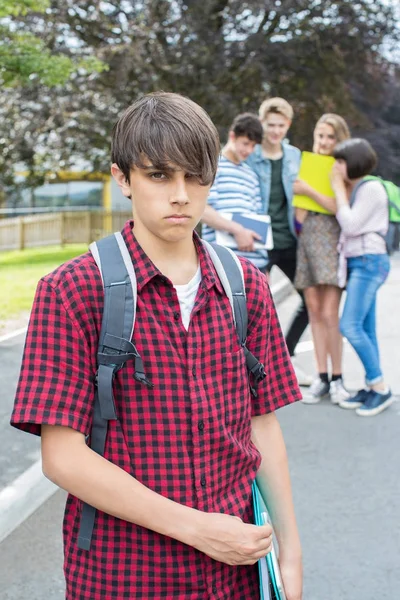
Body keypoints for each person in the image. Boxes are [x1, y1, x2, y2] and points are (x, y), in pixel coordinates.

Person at [11, 92, 303, 599]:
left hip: (238, 572)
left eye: (196, 177)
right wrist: (198, 529)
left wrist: (291, 553)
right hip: (124, 574)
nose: (182, 195)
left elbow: (262, 424)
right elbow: (62, 456)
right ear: (122, 178)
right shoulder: (73, 290)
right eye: (160, 175)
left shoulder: (245, 288)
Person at [246, 97, 312, 387]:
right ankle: (257, 369)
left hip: (289, 240)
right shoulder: (251, 154)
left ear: (288, 125)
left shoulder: (295, 156)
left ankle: (287, 356)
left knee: (310, 298)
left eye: (280, 126)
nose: (275, 131)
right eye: (270, 125)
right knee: (256, 307)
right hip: (259, 240)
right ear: (262, 124)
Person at [329, 138, 393, 416]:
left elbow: (352, 224)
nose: (336, 167)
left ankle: (380, 387)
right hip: (362, 261)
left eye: (340, 161)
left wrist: (336, 190)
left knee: (350, 325)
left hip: (368, 261)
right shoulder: (362, 188)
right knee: (365, 329)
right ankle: (372, 384)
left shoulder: (371, 188)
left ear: (353, 162)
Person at [293, 113, 351, 405]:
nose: (325, 142)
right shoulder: (305, 164)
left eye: (330, 136)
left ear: (339, 139)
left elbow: (339, 207)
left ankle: (339, 377)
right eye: (321, 136)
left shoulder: (341, 168)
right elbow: (298, 212)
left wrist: (308, 190)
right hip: (306, 240)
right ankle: (321, 377)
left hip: (331, 241)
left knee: (330, 314)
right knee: (314, 311)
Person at [201, 112, 268, 271]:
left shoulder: (251, 175)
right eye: (245, 143)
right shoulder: (212, 166)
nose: (249, 150)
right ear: (232, 136)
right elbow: (202, 210)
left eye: (253, 146)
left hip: (254, 265)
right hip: (221, 262)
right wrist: (237, 230)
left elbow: (257, 217)